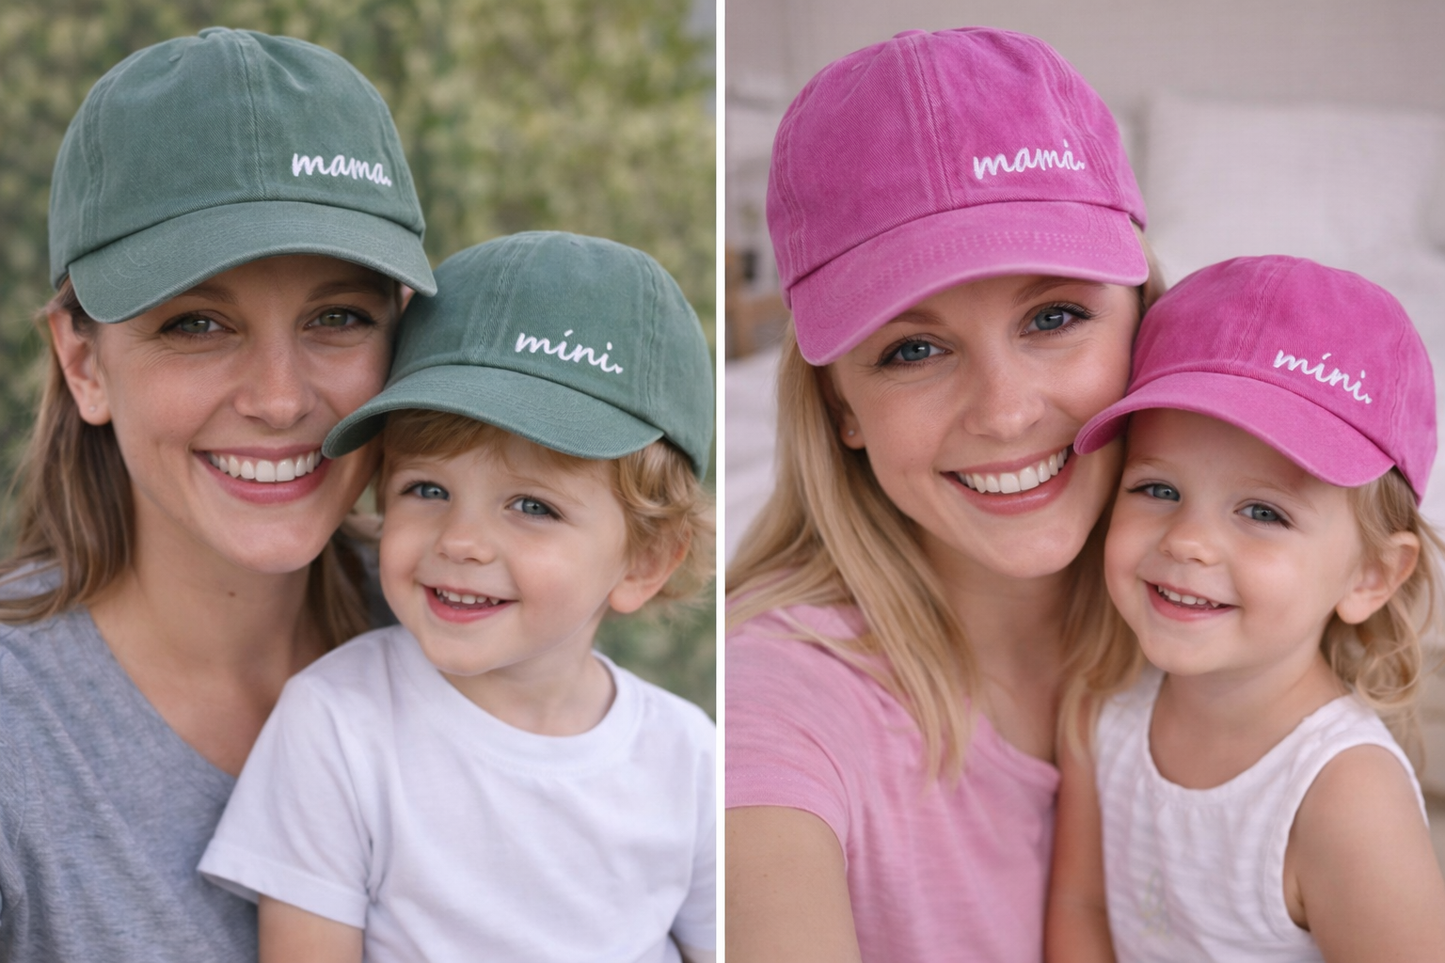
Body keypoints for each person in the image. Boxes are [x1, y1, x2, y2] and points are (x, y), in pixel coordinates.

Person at [725, 26, 1165, 961]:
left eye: (1054, 317)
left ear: (1143, 316)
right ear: (840, 405)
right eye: (911, 350)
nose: (1005, 414)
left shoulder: (1243, 608)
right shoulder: (776, 702)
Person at [0, 28, 436, 962]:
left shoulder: (467, 629)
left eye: (337, 318)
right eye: (197, 323)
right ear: (83, 363)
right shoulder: (18, 743)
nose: (280, 397)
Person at [198, 232, 717, 963]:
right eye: (428, 489)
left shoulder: (687, 758)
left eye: (533, 506)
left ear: (646, 561)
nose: (463, 540)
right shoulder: (338, 726)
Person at [1046, 255, 1445, 962]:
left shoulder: (1343, 798)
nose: (1189, 540)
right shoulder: (1098, 706)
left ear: (1370, 575)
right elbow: (1079, 905)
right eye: (1157, 488)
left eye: (1261, 511)